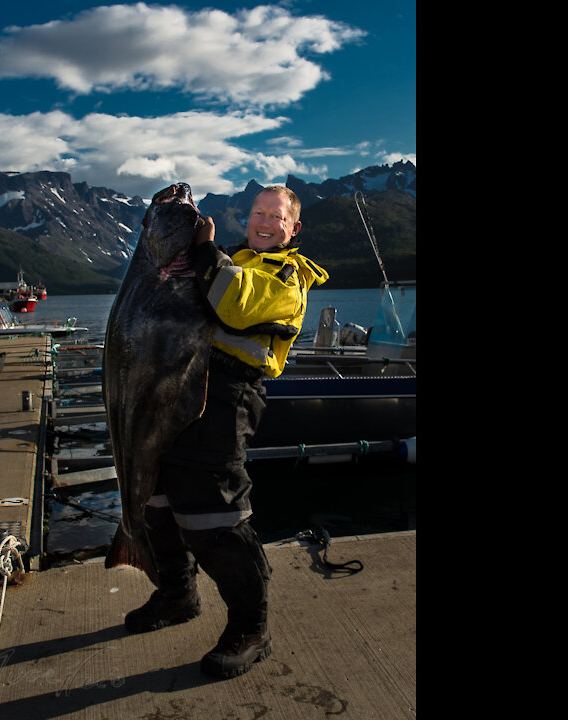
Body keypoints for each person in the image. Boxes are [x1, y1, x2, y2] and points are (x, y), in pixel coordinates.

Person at [124, 185, 329, 678]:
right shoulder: (226, 258)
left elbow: (232, 304)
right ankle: (177, 594)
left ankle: (251, 628)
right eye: (257, 212)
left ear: (292, 229)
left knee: (215, 512)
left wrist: (203, 248)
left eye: (274, 216)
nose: (263, 221)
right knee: (155, 497)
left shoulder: (286, 278)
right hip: (180, 384)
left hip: (229, 394)